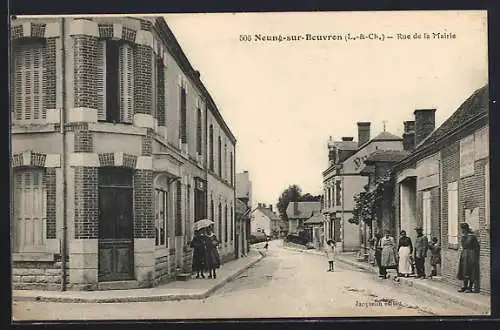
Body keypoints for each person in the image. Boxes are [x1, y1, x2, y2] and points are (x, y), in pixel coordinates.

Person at [457, 223, 480, 293]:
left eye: (463, 229)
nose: (462, 231)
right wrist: (463, 237)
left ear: (466, 229)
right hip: (464, 254)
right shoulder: (463, 236)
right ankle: (465, 286)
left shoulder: (472, 237)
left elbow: (476, 247)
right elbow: (463, 245)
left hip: (471, 254)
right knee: (464, 270)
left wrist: (475, 256)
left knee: (470, 270)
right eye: (462, 229)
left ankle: (470, 287)